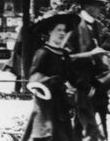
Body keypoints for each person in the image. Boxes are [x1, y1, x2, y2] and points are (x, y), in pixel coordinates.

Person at [24, 9, 81, 141]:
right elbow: (34, 78)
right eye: (58, 30)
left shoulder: (64, 54)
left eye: (64, 30)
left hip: (62, 105)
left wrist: (74, 88)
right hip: (46, 106)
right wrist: (52, 82)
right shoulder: (43, 53)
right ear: (50, 31)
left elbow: (71, 77)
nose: (62, 33)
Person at [68, 0, 110, 141]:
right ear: (86, 6)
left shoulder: (98, 26)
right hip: (82, 84)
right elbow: (66, 58)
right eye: (98, 5)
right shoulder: (74, 25)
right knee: (91, 128)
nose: (101, 9)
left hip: (98, 83)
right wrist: (90, 55)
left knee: (81, 126)